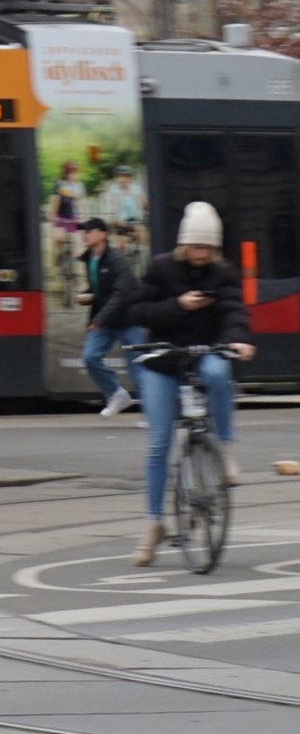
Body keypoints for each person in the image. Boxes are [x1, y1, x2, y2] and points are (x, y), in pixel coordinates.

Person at [118, 201, 253, 566]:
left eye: (208, 248)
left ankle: (223, 450)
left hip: (205, 351)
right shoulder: (162, 268)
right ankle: (154, 524)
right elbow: (136, 311)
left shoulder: (223, 272)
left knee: (217, 372)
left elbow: (233, 310)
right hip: (163, 359)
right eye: (197, 246)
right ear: (184, 244)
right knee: (160, 440)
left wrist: (238, 339)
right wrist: (178, 305)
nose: (202, 254)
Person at [77, 216, 140, 417]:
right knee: (90, 357)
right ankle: (116, 393)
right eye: (84, 231)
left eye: (90, 231)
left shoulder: (117, 259)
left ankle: (153, 412)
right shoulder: (90, 259)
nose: (85, 235)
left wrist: (99, 320)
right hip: (105, 317)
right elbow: (101, 287)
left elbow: (122, 293)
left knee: (138, 365)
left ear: (103, 235)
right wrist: (88, 294)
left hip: (128, 318)